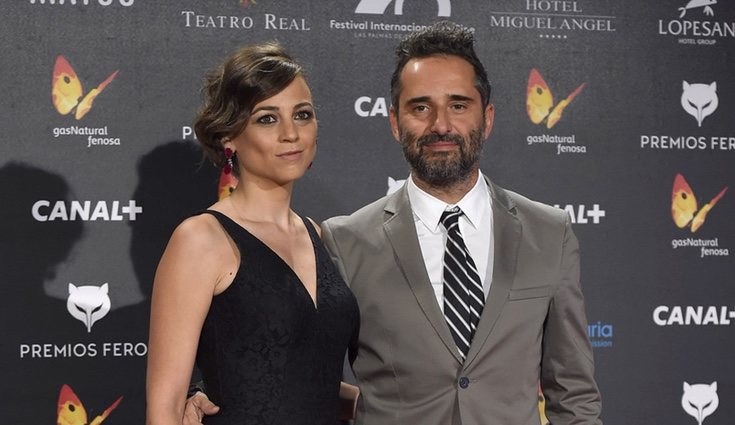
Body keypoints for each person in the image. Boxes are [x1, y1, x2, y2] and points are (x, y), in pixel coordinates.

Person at [186, 21, 602, 425]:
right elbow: (296, 368)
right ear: (394, 121)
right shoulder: (341, 241)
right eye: (420, 107)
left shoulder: (550, 232)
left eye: (458, 105)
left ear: (487, 118)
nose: (440, 125)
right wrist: (217, 392)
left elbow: (574, 395)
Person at [145, 42, 359, 425]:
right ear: (229, 136)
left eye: (303, 115)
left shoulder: (318, 235)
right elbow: (164, 410)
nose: (291, 134)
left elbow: (309, 382)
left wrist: (411, 400)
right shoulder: (201, 240)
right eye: (267, 118)